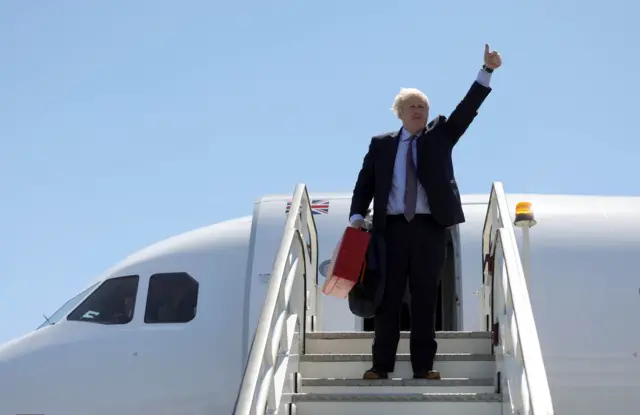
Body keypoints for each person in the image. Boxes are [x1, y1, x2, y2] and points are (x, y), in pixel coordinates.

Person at [348, 44, 502, 380]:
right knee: (388, 300)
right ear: (400, 113)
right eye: (412, 106)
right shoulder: (382, 144)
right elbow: (365, 182)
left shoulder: (441, 136)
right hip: (389, 230)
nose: (419, 111)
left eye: (423, 106)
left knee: (424, 298)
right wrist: (357, 216)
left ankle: (423, 367)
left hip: (430, 228)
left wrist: (486, 72)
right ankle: (381, 366)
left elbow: (467, 109)